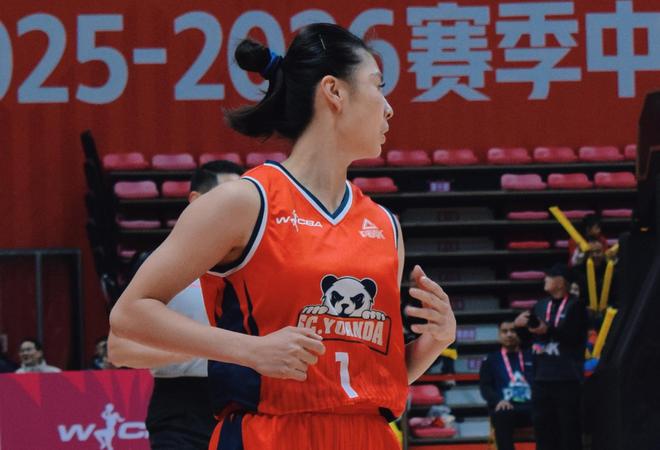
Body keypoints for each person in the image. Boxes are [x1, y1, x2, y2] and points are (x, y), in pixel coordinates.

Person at [109, 23, 456, 450]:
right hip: (269, 433)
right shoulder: (243, 201)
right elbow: (128, 314)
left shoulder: (384, 224)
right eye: (378, 86)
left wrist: (434, 342)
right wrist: (249, 350)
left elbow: (373, 381)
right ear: (334, 91)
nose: (389, 108)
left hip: (370, 436)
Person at [108, 160, 244, 449]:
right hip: (181, 408)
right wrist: (200, 348)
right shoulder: (159, 267)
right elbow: (118, 350)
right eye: (227, 197)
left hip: (244, 404)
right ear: (196, 200)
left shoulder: (258, 265)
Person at [515, 263, 587, 450]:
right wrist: (519, 327)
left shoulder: (576, 306)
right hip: (542, 377)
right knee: (542, 428)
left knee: (569, 429)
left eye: (549, 276)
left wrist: (548, 330)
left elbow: (574, 337)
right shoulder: (540, 305)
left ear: (561, 282)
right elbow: (528, 339)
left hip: (567, 377)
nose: (545, 279)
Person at [479, 321, 534, 450]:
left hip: (531, 407)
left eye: (513, 331)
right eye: (505, 331)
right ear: (499, 335)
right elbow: (485, 387)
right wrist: (498, 400)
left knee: (546, 412)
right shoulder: (490, 360)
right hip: (506, 407)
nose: (509, 334)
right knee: (502, 414)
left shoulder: (531, 356)